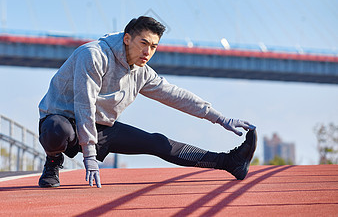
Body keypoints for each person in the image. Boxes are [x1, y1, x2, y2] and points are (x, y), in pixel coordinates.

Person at [38, 16, 257, 188]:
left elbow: (175, 95)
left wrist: (220, 118)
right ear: (127, 39)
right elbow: (83, 104)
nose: (148, 52)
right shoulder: (94, 55)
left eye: (153, 46)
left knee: (158, 142)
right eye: (143, 43)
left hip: (98, 125)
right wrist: (90, 156)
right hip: (61, 118)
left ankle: (230, 162)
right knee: (58, 130)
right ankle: (53, 161)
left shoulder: (141, 72)